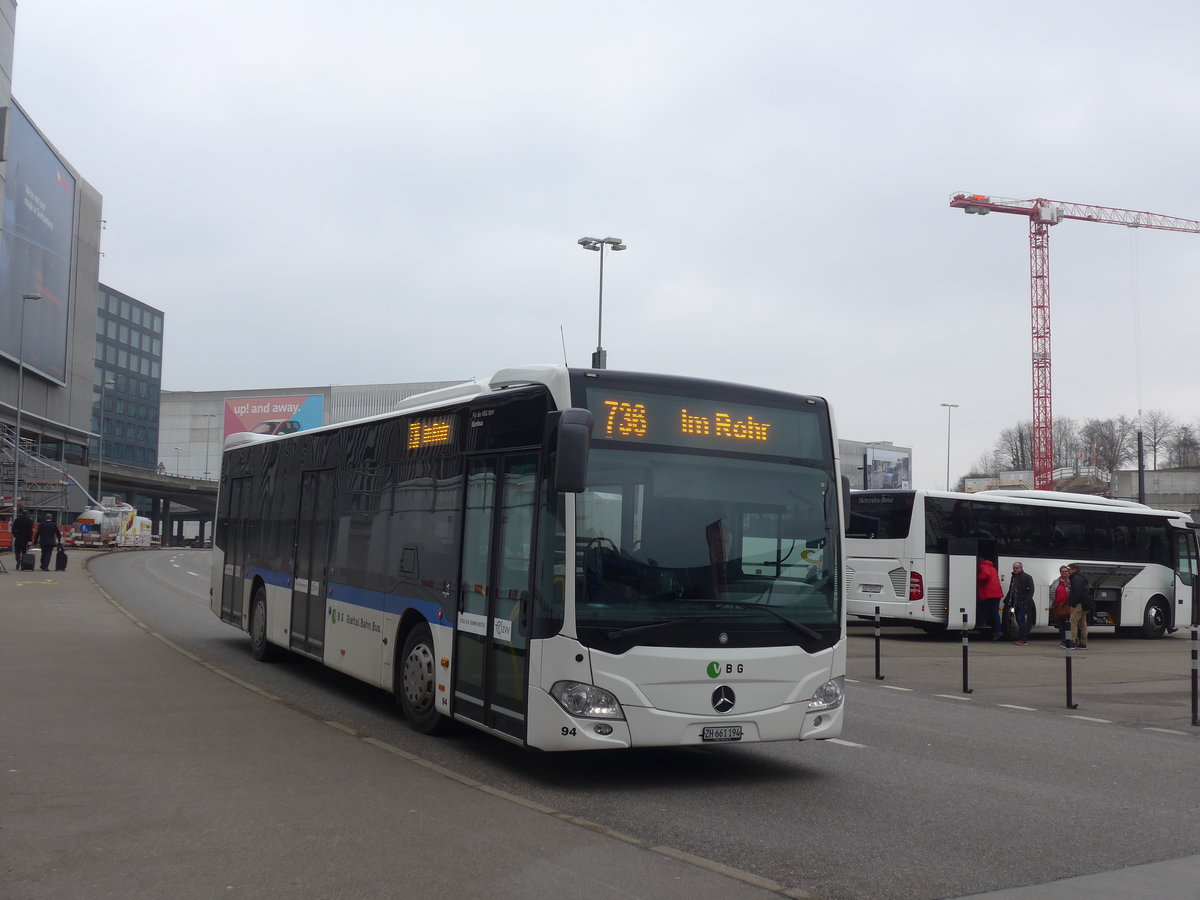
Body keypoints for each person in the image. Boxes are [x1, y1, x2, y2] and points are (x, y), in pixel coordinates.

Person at [1004, 561, 1035, 645]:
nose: (1015, 569)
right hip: (1015, 602)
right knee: (1018, 619)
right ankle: (1021, 638)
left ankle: (1024, 639)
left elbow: (1031, 591)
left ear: (1021, 568)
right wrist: (1006, 600)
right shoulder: (1014, 577)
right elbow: (1011, 589)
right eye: (1014, 568)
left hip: (1024, 603)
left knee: (1021, 619)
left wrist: (1025, 602)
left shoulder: (1027, 577)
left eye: (1016, 568)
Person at [976, 558, 1004, 640]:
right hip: (996, 593)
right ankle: (997, 630)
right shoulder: (992, 567)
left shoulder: (982, 566)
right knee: (994, 612)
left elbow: (985, 576)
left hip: (989, 593)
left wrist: (976, 576)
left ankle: (989, 627)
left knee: (984, 609)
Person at [1067, 562, 1090, 649]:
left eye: (1069, 569)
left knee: (1073, 622)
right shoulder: (1082, 577)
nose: (1068, 571)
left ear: (1074, 570)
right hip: (1085, 603)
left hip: (1079, 604)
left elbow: (1076, 593)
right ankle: (1083, 643)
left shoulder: (1075, 578)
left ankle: (1072, 642)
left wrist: (1072, 605)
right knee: (1082, 624)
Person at [1051, 565, 1072, 646]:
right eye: (1062, 571)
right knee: (1061, 625)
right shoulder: (1056, 581)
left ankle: (1069, 640)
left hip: (1068, 606)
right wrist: (1054, 602)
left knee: (1069, 624)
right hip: (1058, 606)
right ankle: (1063, 640)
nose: (1064, 573)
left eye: (1065, 571)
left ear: (1068, 572)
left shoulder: (1071, 582)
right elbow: (1052, 592)